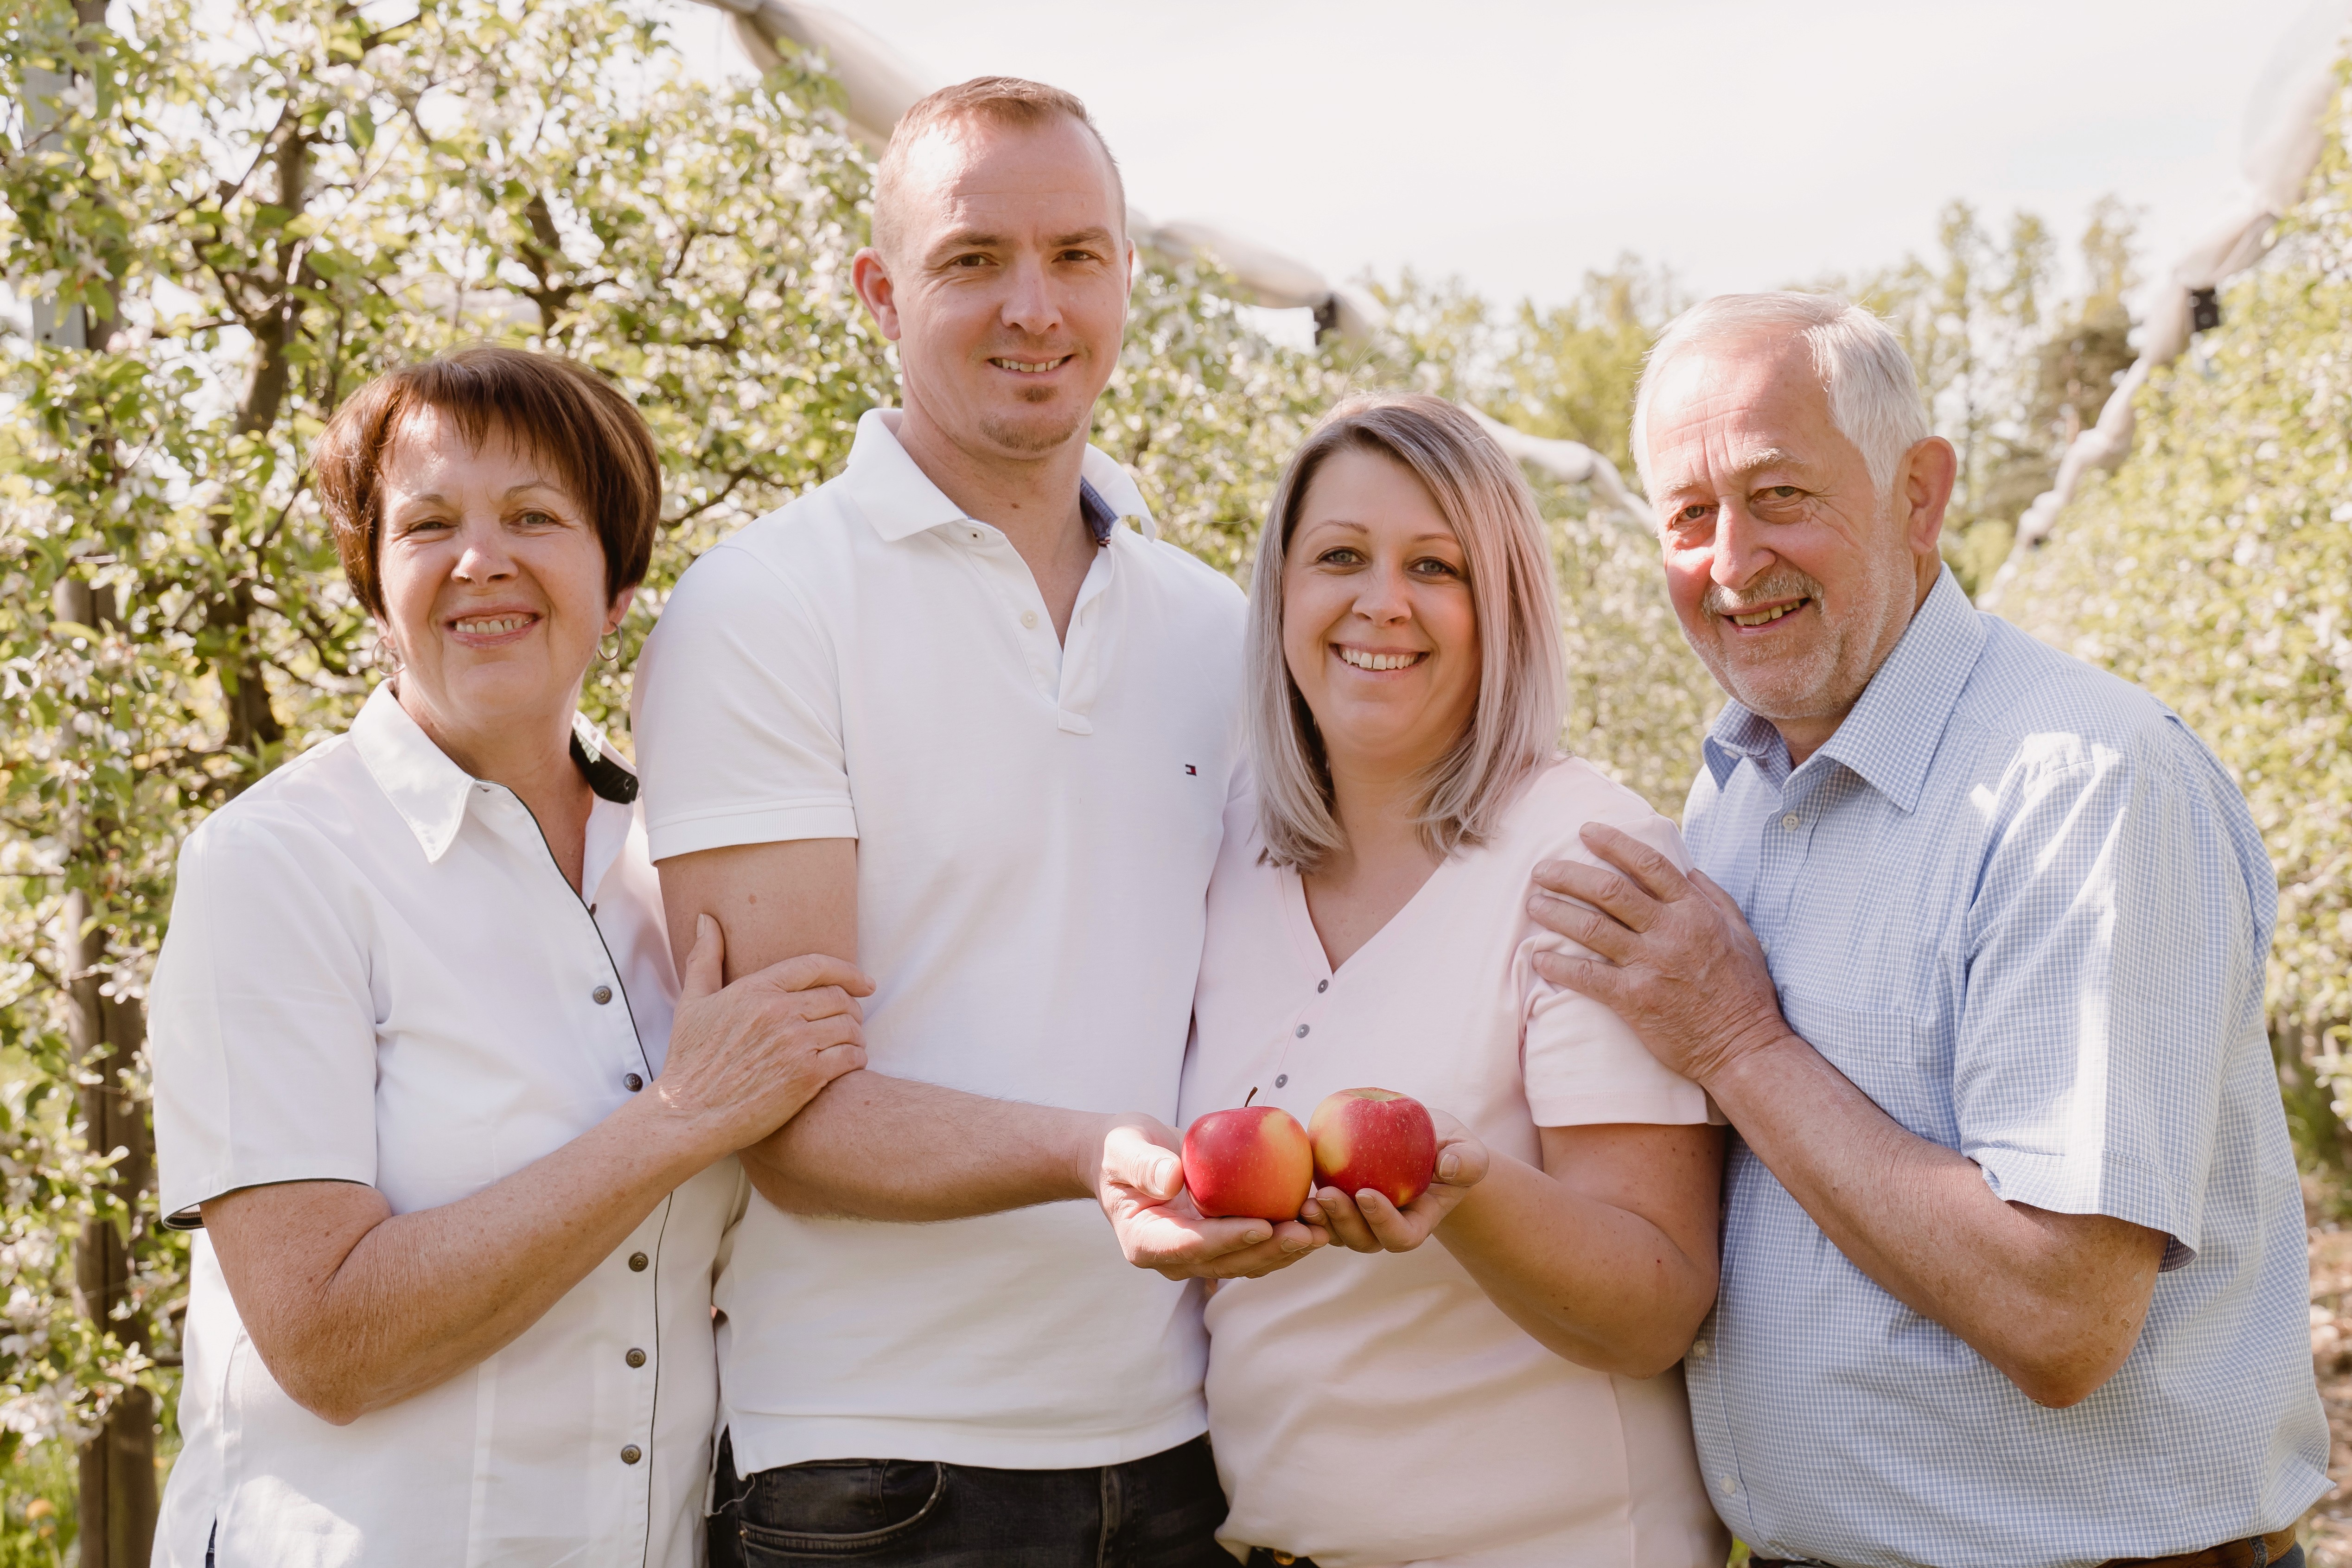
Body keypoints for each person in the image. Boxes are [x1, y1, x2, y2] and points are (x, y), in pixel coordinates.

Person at [1526, 293, 2329, 1568]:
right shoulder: (1733, 796)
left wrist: (1734, 1036)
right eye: (1688, 514)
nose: (1730, 559)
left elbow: (2057, 1309)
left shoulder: (2079, 785)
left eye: (1778, 494)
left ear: (1919, 494)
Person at [631, 79, 1308, 1563]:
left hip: (1186, 1446)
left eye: (1077, 254)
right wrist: (1092, 1151)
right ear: (881, 292)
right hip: (876, 1471)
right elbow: (784, 1106)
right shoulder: (762, 610)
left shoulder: (1218, 631)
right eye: (971, 260)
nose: (1033, 307)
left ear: (1128, 277)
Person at [147, 346, 869, 1568]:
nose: (483, 558)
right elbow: (325, 1337)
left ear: (619, 578)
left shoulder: (680, 867)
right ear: (375, 587)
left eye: (534, 515)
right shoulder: (274, 866)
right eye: (429, 525)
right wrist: (679, 1117)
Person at [1173, 394, 1730, 1568]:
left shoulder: (1583, 859)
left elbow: (1657, 1298)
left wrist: (1466, 1194)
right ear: (1279, 591)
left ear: (1503, 608)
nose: (1380, 601)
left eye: (1435, 565)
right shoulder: (1222, 850)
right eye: (1338, 556)